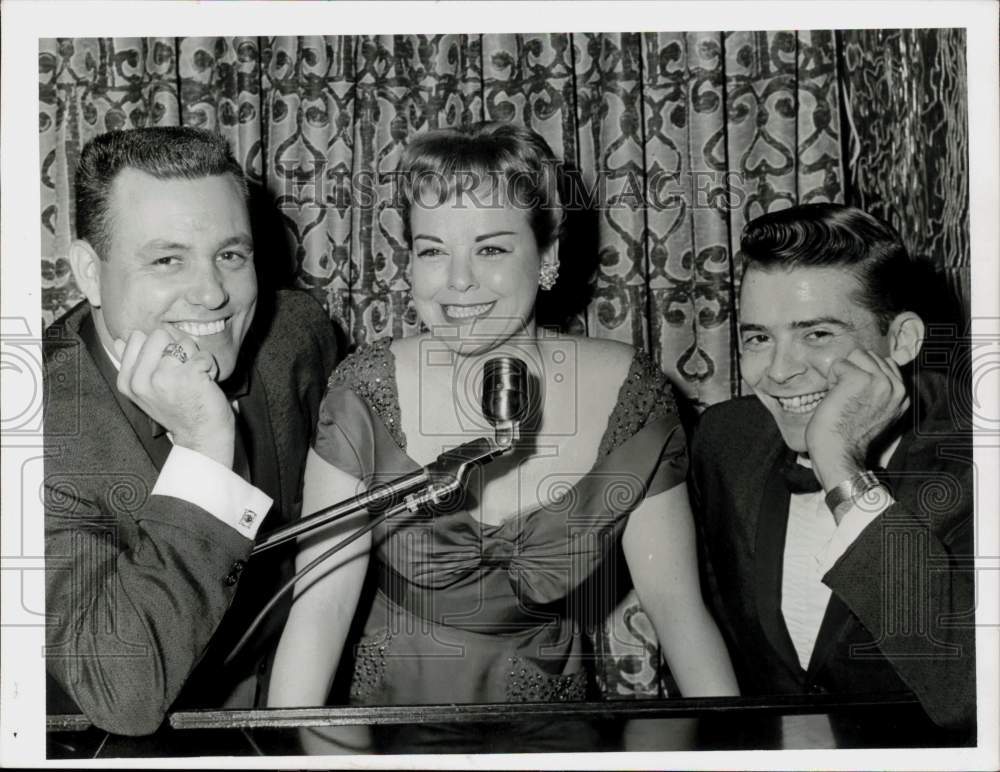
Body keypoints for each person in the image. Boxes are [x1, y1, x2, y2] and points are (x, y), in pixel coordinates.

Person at [267, 122, 739, 711]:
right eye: (433, 250)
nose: (458, 281)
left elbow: (678, 613)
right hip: (387, 715)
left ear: (547, 255)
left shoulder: (632, 394)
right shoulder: (363, 389)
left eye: (490, 248)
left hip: (547, 718)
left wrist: (734, 748)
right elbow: (320, 609)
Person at [44, 126, 340, 735]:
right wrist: (207, 448)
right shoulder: (32, 425)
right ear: (90, 273)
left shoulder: (298, 336)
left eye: (231, 255)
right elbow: (123, 694)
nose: (212, 295)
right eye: (166, 259)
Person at [690, 203, 975, 733]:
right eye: (758, 338)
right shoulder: (725, 439)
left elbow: (972, 694)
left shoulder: (977, 465)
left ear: (903, 340)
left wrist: (841, 467)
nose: (777, 372)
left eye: (817, 335)